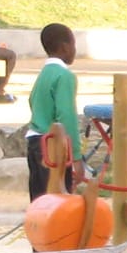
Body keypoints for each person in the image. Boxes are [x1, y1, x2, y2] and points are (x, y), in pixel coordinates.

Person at [25, 23, 80, 201]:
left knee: (39, 201)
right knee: (58, 201)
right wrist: (76, 157)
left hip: (34, 141)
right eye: (73, 45)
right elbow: (66, 116)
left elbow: (32, 100)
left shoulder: (44, 73)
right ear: (65, 47)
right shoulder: (65, 76)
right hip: (52, 146)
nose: (75, 50)